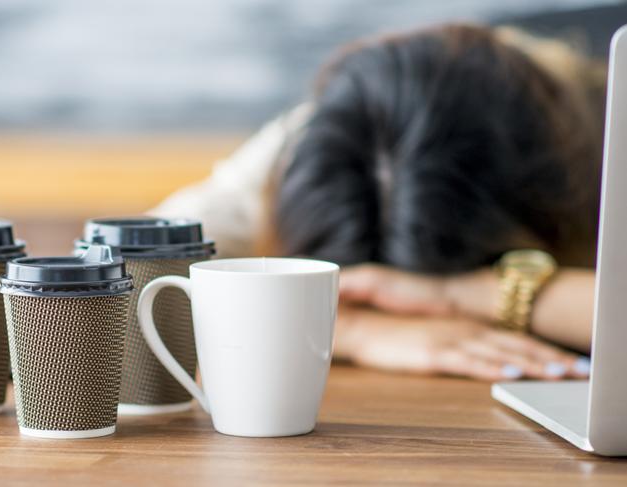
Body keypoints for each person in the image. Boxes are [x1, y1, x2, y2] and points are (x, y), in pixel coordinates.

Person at [150, 24, 607, 381]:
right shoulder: (322, 142)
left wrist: (467, 293)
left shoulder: (602, 126)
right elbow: (120, 289)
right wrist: (349, 330)